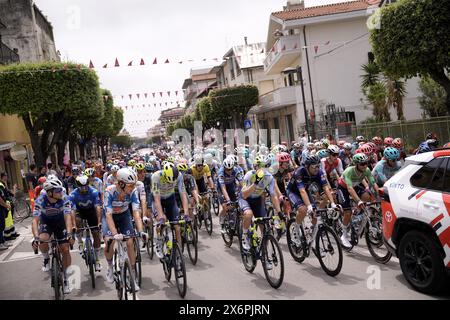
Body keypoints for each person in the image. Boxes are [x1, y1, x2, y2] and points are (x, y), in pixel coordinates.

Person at [103, 168, 146, 291]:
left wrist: (141, 230)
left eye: (134, 185)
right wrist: (115, 234)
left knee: (130, 241)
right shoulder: (109, 191)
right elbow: (108, 215)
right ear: (121, 183)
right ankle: (110, 266)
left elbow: (136, 213)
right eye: (130, 185)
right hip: (110, 217)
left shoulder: (133, 192)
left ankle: (132, 275)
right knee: (108, 241)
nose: (133, 188)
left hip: (124, 215)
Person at [31, 177, 74, 294]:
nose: (61, 192)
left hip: (60, 223)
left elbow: (68, 217)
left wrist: (70, 233)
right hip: (47, 223)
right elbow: (35, 220)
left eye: (61, 190)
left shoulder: (64, 198)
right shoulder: (40, 200)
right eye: (58, 191)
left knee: (65, 249)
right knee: (42, 239)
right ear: (50, 193)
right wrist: (35, 237)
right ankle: (46, 258)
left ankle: (66, 278)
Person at [286, 155, 337, 255]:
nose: (317, 169)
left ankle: (313, 242)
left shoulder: (319, 172)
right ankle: (295, 231)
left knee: (315, 216)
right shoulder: (299, 172)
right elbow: (301, 191)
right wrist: (309, 206)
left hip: (306, 190)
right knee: (303, 209)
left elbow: (326, 188)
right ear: (307, 166)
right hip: (293, 192)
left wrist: (333, 203)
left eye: (318, 166)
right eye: (314, 167)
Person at [239, 155, 282, 251]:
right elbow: (245, 194)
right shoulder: (249, 175)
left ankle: (264, 252)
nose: (263, 169)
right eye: (260, 166)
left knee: (265, 227)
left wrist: (279, 212)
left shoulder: (269, 178)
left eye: (265, 166)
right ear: (255, 167)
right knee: (248, 214)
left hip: (257, 200)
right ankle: (244, 235)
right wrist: (255, 183)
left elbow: (273, 195)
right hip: (245, 199)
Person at [337, 153, 379, 248]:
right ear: (356, 164)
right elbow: (349, 189)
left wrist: (379, 193)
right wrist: (358, 201)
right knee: (347, 212)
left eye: (366, 163)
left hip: (355, 186)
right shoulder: (349, 171)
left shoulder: (367, 170)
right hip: (343, 188)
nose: (365, 165)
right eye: (362, 164)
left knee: (367, 197)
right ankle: (344, 235)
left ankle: (357, 215)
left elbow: (373, 182)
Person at [69, 175, 102, 271]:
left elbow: (98, 208)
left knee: (96, 234)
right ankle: (80, 242)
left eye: (85, 186)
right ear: (77, 186)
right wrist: (74, 225)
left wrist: (99, 222)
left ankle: (97, 260)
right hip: (79, 211)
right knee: (77, 220)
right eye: (81, 187)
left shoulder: (94, 192)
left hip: (91, 211)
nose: (84, 189)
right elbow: (72, 211)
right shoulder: (73, 195)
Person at [217, 157, 244, 234]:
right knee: (226, 206)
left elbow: (242, 183)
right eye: (227, 169)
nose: (229, 171)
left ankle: (234, 220)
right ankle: (222, 221)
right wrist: (228, 200)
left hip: (231, 186)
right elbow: (223, 188)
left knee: (236, 204)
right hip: (222, 188)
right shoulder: (221, 172)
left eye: (231, 169)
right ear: (224, 168)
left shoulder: (236, 170)